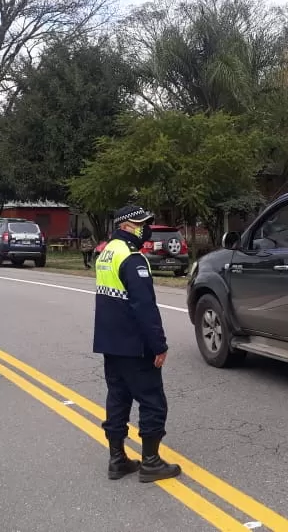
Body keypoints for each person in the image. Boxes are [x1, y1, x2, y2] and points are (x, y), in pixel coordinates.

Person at [93, 205, 181, 483]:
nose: (147, 228)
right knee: (153, 401)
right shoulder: (132, 258)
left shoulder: (106, 253)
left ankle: (117, 459)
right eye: (142, 224)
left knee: (118, 399)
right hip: (134, 345)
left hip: (110, 342)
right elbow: (145, 308)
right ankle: (151, 462)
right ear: (127, 226)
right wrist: (159, 345)